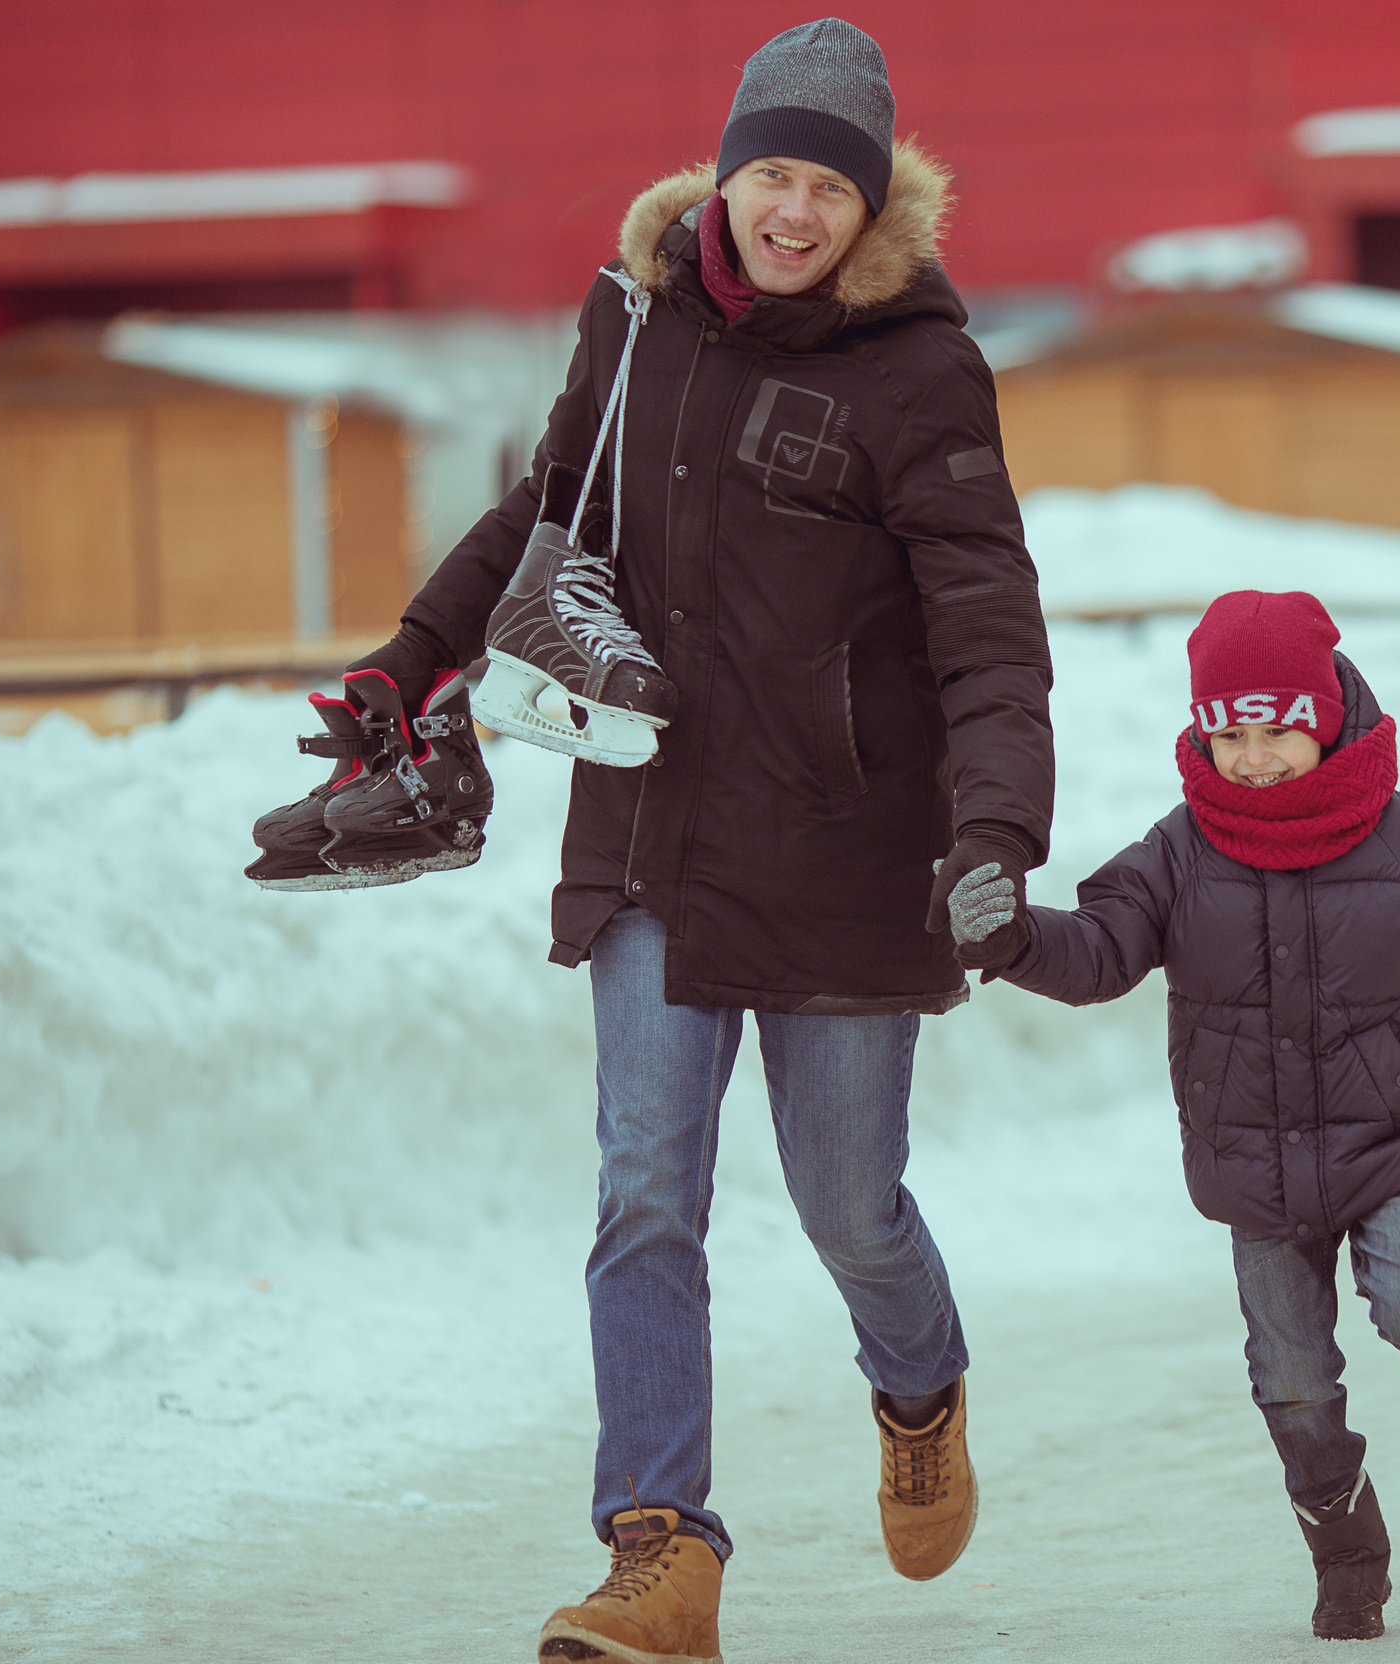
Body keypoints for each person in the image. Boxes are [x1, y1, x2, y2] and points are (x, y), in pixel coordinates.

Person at [347, 19, 1053, 1664]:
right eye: (769, 174)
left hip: (843, 849)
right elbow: (549, 513)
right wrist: (408, 657)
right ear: (724, 174)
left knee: (847, 1202)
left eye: (827, 187)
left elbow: (986, 625)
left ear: (870, 207)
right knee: (646, 1192)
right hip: (653, 829)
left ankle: (920, 1384)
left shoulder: (919, 370)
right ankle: (658, 1548)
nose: (792, 211)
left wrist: (997, 826)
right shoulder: (639, 317)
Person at [943, 590, 1400, 1642]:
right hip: (1252, 1164)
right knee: (1292, 1380)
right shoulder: (1179, 851)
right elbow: (1099, 949)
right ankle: (1346, 1548)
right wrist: (1011, 941)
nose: (1254, 758)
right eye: (1229, 735)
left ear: (1325, 718)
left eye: (1276, 730)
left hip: (1391, 1138)